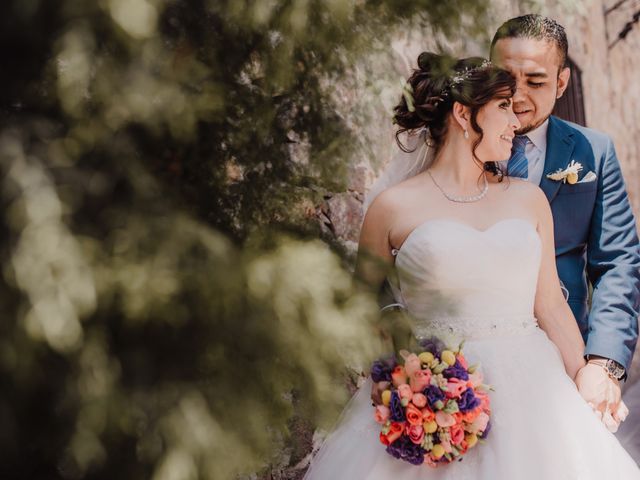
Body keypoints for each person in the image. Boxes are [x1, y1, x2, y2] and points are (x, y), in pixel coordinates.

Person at [303, 54, 640, 479]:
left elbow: (551, 306)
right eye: (502, 106)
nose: (515, 120)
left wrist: (587, 378)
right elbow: (365, 306)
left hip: (537, 393)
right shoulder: (392, 208)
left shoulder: (528, 200)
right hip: (437, 398)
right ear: (463, 114)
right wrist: (406, 381)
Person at [489, 14, 640, 435]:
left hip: (564, 356)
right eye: (504, 78)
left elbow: (618, 264)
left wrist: (603, 363)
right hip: (474, 354)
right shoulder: (461, 146)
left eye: (535, 81)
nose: (516, 96)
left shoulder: (594, 151)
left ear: (561, 82)